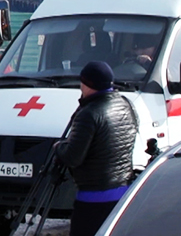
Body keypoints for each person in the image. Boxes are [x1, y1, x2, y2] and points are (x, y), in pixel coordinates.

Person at [55, 61, 137, 236]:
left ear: (87, 84)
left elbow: (73, 157)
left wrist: (59, 147)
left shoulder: (89, 113)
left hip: (92, 198)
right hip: (122, 194)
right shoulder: (125, 104)